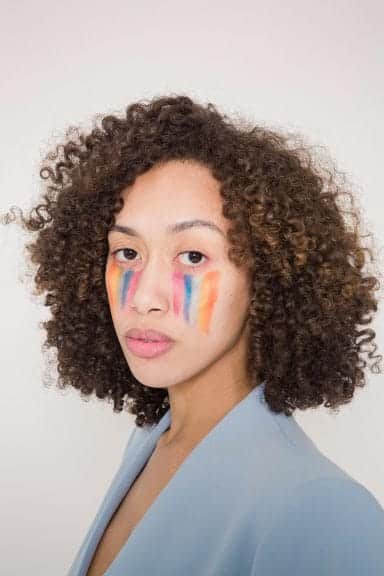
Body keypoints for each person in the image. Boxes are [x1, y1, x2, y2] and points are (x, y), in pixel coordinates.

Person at [3, 94, 384, 575]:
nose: (143, 297)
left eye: (193, 257)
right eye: (126, 253)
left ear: (267, 277)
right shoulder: (151, 440)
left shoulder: (324, 513)